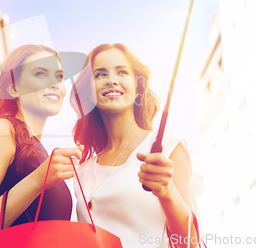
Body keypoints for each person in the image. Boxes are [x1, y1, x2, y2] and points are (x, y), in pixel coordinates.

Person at [0, 45, 83, 248]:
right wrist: (38, 180)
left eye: (58, 76)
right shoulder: (2, 130)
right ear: (14, 87)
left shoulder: (38, 150)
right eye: (40, 73)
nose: (55, 84)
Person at [71, 43, 201, 248]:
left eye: (122, 72)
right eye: (100, 74)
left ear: (138, 88)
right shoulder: (82, 172)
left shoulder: (166, 145)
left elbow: (190, 242)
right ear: (89, 94)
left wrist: (166, 191)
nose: (112, 80)